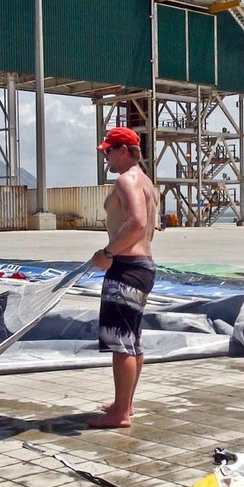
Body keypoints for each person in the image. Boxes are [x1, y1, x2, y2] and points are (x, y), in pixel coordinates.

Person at [89, 126, 158, 428]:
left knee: (120, 343)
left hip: (127, 267)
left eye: (109, 150)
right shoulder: (146, 181)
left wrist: (107, 253)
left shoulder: (127, 179)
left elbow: (136, 222)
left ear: (126, 151)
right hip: (142, 265)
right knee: (132, 340)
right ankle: (123, 404)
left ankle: (120, 414)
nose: (106, 156)